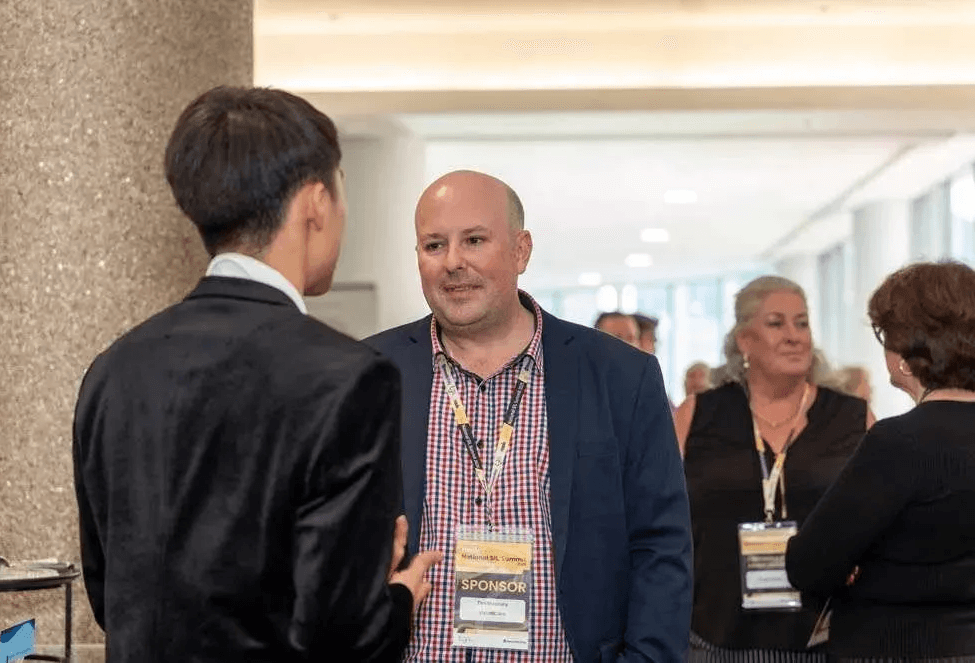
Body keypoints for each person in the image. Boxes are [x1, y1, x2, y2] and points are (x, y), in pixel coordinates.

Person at [72, 86, 440, 663]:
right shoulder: (349, 377)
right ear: (316, 202)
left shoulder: (114, 369)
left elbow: (109, 591)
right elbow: (343, 639)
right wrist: (394, 602)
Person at [366, 170, 692, 663]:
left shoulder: (621, 377)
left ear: (521, 251)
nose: (453, 262)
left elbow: (661, 547)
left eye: (474, 240)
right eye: (434, 246)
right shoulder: (369, 373)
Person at [673, 275, 872, 663]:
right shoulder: (697, 415)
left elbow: (887, 513)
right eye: (776, 323)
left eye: (802, 323)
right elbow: (657, 517)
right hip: (715, 638)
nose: (794, 335)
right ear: (745, 340)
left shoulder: (851, 416)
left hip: (828, 638)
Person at [787, 261, 975, 662]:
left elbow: (808, 565)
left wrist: (858, 562)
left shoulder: (899, 441)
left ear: (905, 353)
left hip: (894, 646)